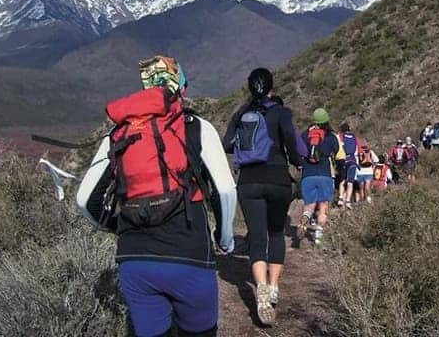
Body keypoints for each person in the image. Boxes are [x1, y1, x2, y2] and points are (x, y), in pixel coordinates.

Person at [108, 56, 237, 337]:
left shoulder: (120, 132)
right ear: (180, 87)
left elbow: (86, 200)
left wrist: (116, 227)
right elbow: (225, 190)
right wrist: (224, 238)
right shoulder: (196, 126)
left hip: (135, 259)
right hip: (189, 255)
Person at [223, 68, 300, 326]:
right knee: (276, 233)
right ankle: (274, 285)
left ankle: (261, 289)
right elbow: (290, 137)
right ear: (271, 88)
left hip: (248, 182)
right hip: (278, 180)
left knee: (257, 236)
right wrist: (296, 161)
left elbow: (226, 144)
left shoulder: (243, 113)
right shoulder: (282, 112)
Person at [296, 109, 339, 245]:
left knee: (309, 206)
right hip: (324, 175)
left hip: (307, 175)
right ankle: (318, 236)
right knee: (323, 206)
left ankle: (304, 220)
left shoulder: (304, 135)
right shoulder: (331, 136)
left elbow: (298, 151)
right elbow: (336, 152)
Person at [336, 122, 361, 209]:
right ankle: (348, 201)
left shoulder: (340, 136)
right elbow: (359, 150)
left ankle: (340, 198)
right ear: (349, 129)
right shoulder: (355, 137)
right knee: (350, 182)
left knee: (342, 181)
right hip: (353, 160)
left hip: (343, 160)